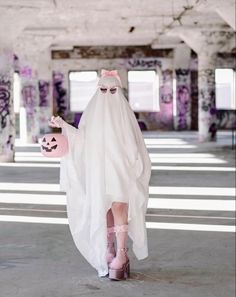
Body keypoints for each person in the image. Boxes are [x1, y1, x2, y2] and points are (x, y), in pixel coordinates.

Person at [49, 70, 151, 280]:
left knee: (119, 207)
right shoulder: (91, 117)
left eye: (113, 90)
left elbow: (136, 148)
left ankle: (122, 254)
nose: (107, 94)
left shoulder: (124, 116)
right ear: (97, 91)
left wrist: (134, 169)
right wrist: (64, 127)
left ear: (119, 91)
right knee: (104, 209)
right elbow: (82, 140)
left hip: (120, 171)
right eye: (103, 90)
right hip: (99, 173)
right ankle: (109, 249)